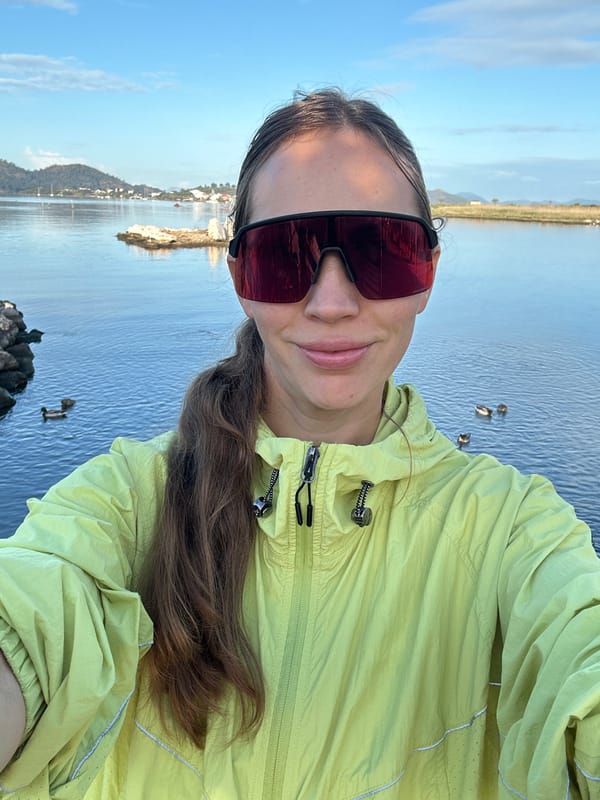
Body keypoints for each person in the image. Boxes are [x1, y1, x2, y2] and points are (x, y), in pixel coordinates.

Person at [1, 88, 599, 800]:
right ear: (240, 281)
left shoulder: (513, 534)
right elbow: (35, 613)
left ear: (429, 273)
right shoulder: (129, 503)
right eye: (285, 257)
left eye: (383, 251)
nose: (332, 302)